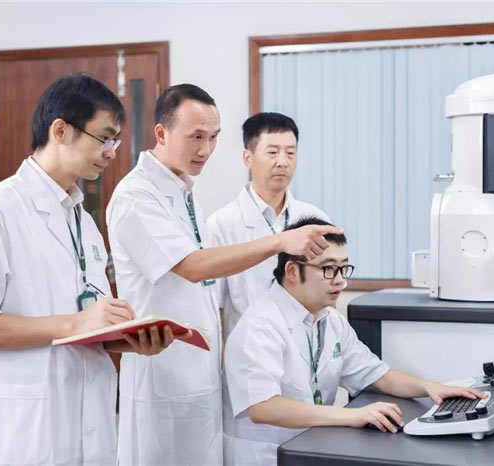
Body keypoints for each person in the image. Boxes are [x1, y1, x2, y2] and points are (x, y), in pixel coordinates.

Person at [0, 73, 177, 466]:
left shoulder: (83, 222)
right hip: (23, 433)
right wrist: (75, 323)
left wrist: (124, 340)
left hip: (86, 422)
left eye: (115, 141)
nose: (111, 152)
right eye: (104, 138)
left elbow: (84, 323)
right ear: (61, 131)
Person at [107, 84, 343, 466]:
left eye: (214, 137)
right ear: (162, 133)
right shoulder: (136, 196)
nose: (206, 149)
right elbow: (192, 266)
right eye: (196, 137)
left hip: (204, 380)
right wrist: (279, 242)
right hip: (164, 377)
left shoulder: (186, 193)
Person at [224, 217, 487, 466]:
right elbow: (263, 407)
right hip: (267, 456)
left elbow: (379, 375)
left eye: (343, 268)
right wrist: (354, 415)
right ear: (292, 271)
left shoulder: (330, 320)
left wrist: (431, 387)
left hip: (310, 446)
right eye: (328, 269)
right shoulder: (260, 325)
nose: (340, 279)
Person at [208, 112, 330, 339]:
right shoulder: (221, 225)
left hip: (304, 348)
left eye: (290, 153)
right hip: (248, 352)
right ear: (248, 158)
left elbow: (327, 295)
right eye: (272, 152)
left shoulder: (315, 219)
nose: (282, 162)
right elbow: (215, 308)